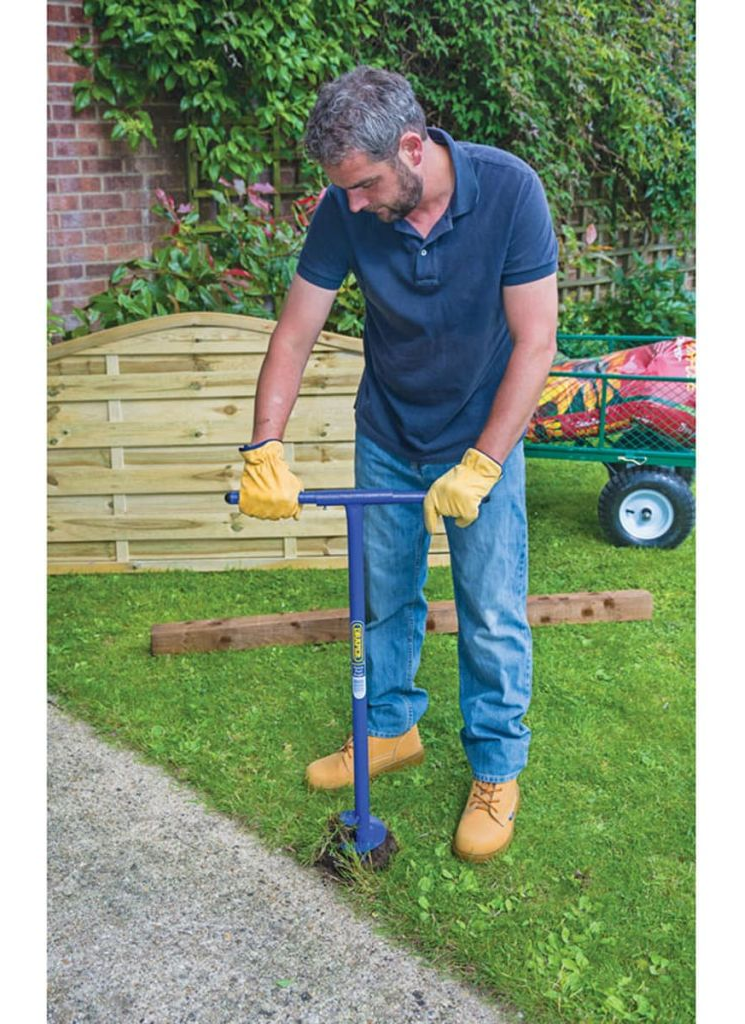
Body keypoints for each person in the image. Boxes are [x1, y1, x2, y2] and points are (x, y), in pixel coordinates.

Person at [237, 66, 559, 862]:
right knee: (383, 597)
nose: (352, 203)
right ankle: (388, 729)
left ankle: (497, 768)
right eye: (342, 188)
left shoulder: (510, 192)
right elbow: (295, 334)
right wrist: (264, 444)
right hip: (387, 430)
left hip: (482, 436)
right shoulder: (345, 209)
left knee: (491, 608)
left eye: (364, 184)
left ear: (412, 147)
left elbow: (536, 342)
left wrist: (483, 463)